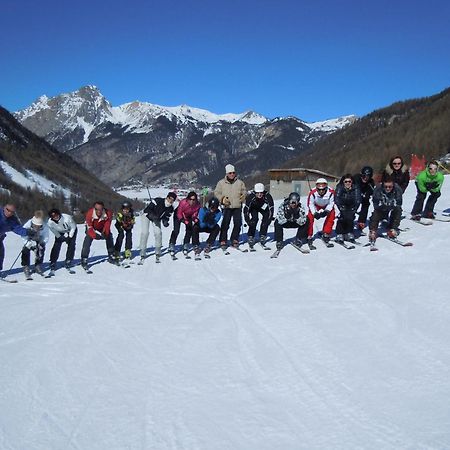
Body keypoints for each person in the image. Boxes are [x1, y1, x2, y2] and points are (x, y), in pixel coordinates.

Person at [214, 164, 247, 249]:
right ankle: (223, 240)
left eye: (233, 173)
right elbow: (216, 192)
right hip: (227, 206)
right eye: (230, 173)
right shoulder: (221, 183)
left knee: (238, 223)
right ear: (227, 174)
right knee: (225, 223)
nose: (232, 174)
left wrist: (243, 195)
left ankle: (234, 239)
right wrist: (222, 199)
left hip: (237, 206)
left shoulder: (240, 182)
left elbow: (244, 191)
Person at [139, 192, 177, 260]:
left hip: (156, 218)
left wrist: (165, 222)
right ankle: (142, 250)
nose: (170, 201)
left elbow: (166, 216)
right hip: (146, 216)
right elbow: (147, 209)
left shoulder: (170, 208)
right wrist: (153, 216)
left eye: (173, 200)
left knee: (158, 233)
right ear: (167, 197)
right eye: (170, 198)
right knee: (145, 233)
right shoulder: (158, 200)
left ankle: (158, 250)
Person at [368, 176, 403, 242]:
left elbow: (399, 202)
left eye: (390, 187)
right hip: (382, 206)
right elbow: (375, 203)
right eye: (386, 186)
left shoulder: (397, 189)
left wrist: (393, 204)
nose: (388, 188)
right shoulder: (378, 189)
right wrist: (381, 204)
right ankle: (373, 230)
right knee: (376, 213)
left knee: (398, 210)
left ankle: (393, 228)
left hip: (392, 205)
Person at [81, 201, 114, 269]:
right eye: (96, 209)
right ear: (94, 209)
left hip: (102, 226)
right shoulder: (90, 214)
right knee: (88, 238)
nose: (98, 211)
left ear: (103, 209)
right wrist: (95, 236)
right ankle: (84, 258)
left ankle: (111, 254)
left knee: (109, 236)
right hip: (92, 227)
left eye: (100, 209)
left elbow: (108, 224)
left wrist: (105, 233)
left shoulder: (108, 213)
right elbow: (89, 227)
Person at [0, 203, 29, 279]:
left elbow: (18, 228)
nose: (9, 213)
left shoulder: (12, 220)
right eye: (8, 210)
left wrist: (28, 232)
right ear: (4, 208)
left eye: (12, 212)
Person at [243, 183, 274, 249]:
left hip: (263, 207)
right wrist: (248, 221)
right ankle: (251, 235)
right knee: (254, 219)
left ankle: (263, 235)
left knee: (266, 219)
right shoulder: (251, 196)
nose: (259, 195)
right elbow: (246, 210)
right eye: (257, 193)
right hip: (253, 208)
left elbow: (271, 209)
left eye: (261, 193)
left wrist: (269, 220)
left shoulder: (268, 196)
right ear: (255, 192)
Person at [306, 178, 335, 245]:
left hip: (326, 205)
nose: (321, 191)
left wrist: (326, 211)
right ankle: (309, 234)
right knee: (309, 217)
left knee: (332, 214)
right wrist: (315, 213)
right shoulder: (312, 193)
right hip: (316, 205)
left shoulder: (331, 192)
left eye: (323, 189)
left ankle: (326, 232)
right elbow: (310, 204)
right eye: (319, 190)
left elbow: (332, 203)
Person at [21, 210, 49, 277]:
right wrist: (29, 245)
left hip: (39, 239)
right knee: (25, 250)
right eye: (35, 225)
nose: (37, 227)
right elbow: (23, 235)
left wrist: (43, 243)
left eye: (39, 226)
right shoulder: (27, 225)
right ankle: (26, 266)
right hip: (29, 240)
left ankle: (38, 265)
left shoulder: (44, 226)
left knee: (40, 251)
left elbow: (46, 236)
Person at [334, 174, 361, 243]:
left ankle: (349, 232)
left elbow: (358, 199)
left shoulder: (356, 188)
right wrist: (340, 207)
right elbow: (337, 198)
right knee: (342, 217)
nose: (348, 183)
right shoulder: (340, 187)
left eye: (349, 181)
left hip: (351, 205)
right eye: (346, 182)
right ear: (343, 182)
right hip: (342, 205)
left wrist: (355, 208)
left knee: (350, 217)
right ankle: (340, 233)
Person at [354, 166, 375, 231]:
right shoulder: (356, 178)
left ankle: (361, 221)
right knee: (354, 204)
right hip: (354, 196)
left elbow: (371, 191)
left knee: (366, 203)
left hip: (363, 195)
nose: (365, 179)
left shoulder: (371, 182)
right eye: (364, 176)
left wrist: (367, 194)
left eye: (367, 177)